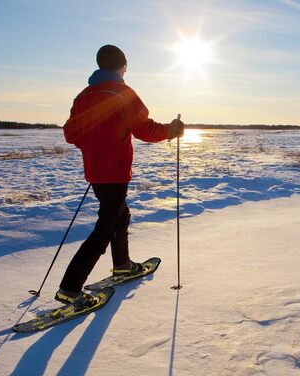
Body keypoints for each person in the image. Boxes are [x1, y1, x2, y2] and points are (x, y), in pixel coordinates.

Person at [55, 44, 184, 308]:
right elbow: (144, 129)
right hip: (114, 170)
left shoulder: (83, 96)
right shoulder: (122, 93)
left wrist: (94, 146)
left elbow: (71, 133)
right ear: (121, 66)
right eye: (125, 65)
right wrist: (171, 130)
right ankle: (70, 287)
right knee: (106, 226)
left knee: (119, 215)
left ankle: (123, 265)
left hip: (95, 170)